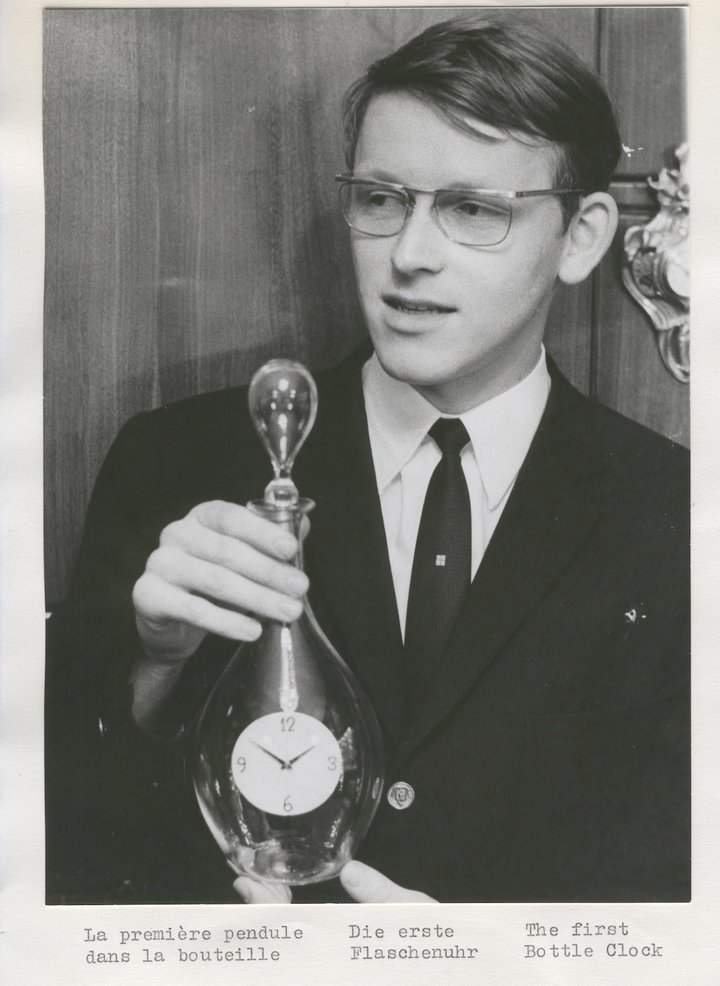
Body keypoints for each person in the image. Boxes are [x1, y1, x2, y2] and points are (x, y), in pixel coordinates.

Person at [45, 17, 689, 905]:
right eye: (381, 200)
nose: (408, 257)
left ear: (581, 236)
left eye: (473, 210)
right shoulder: (178, 460)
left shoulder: (679, 517)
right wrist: (153, 666)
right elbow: (53, 845)